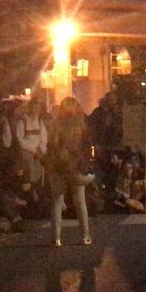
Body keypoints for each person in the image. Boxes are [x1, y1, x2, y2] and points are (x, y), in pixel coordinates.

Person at [46, 97, 93, 247]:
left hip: (58, 167)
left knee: (57, 202)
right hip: (75, 167)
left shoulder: (55, 125)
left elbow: (50, 146)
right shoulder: (81, 125)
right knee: (80, 202)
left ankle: (56, 237)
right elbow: (87, 146)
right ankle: (85, 235)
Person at [15, 97, 49, 187]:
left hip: (38, 150)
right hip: (27, 150)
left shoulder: (40, 121)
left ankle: (41, 184)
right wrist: (33, 150)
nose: (36, 110)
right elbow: (20, 140)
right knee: (29, 163)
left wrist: (42, 149)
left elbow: (43, 137)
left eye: (38, 108)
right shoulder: (22, 121)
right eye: (34, 108)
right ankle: (30, 183)